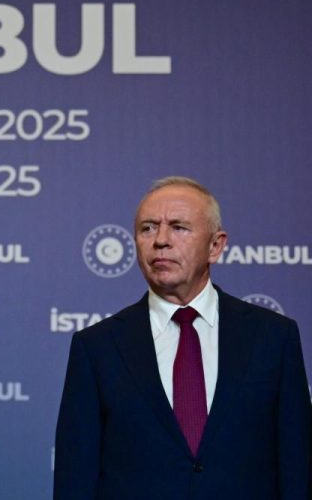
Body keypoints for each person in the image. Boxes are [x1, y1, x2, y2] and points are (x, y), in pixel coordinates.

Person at [54, 176, 312, 499]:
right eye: (148, 228)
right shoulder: (97, 347)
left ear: (215, 246)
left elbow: (297, 468)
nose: (161, 240)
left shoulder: (274, 337)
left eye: (179, 227)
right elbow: (75, 478)